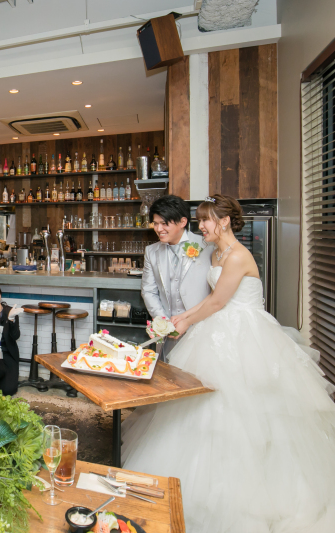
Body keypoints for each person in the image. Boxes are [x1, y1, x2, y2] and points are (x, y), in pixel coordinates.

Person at [123, 194, 335, 532]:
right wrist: (179, 317)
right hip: (218, 326)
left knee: (244, 411)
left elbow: (219, 302)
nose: (201, 225)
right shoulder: (220, 252)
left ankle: (249, 493)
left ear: (223, 221)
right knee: (197, 406)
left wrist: (186, 322)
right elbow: (209, 299)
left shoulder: (237, 256)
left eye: (205, 219)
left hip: (243, 334)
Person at [140, 194, 213, 360]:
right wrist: (165, 323)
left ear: (183, 222)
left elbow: (215, 292)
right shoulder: (151, 251)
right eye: (156, 223)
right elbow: (148, 290)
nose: (159, 229)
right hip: (169, 333)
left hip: (201, 328)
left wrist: (190, 320)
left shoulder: (207, 246)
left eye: (164, 224)